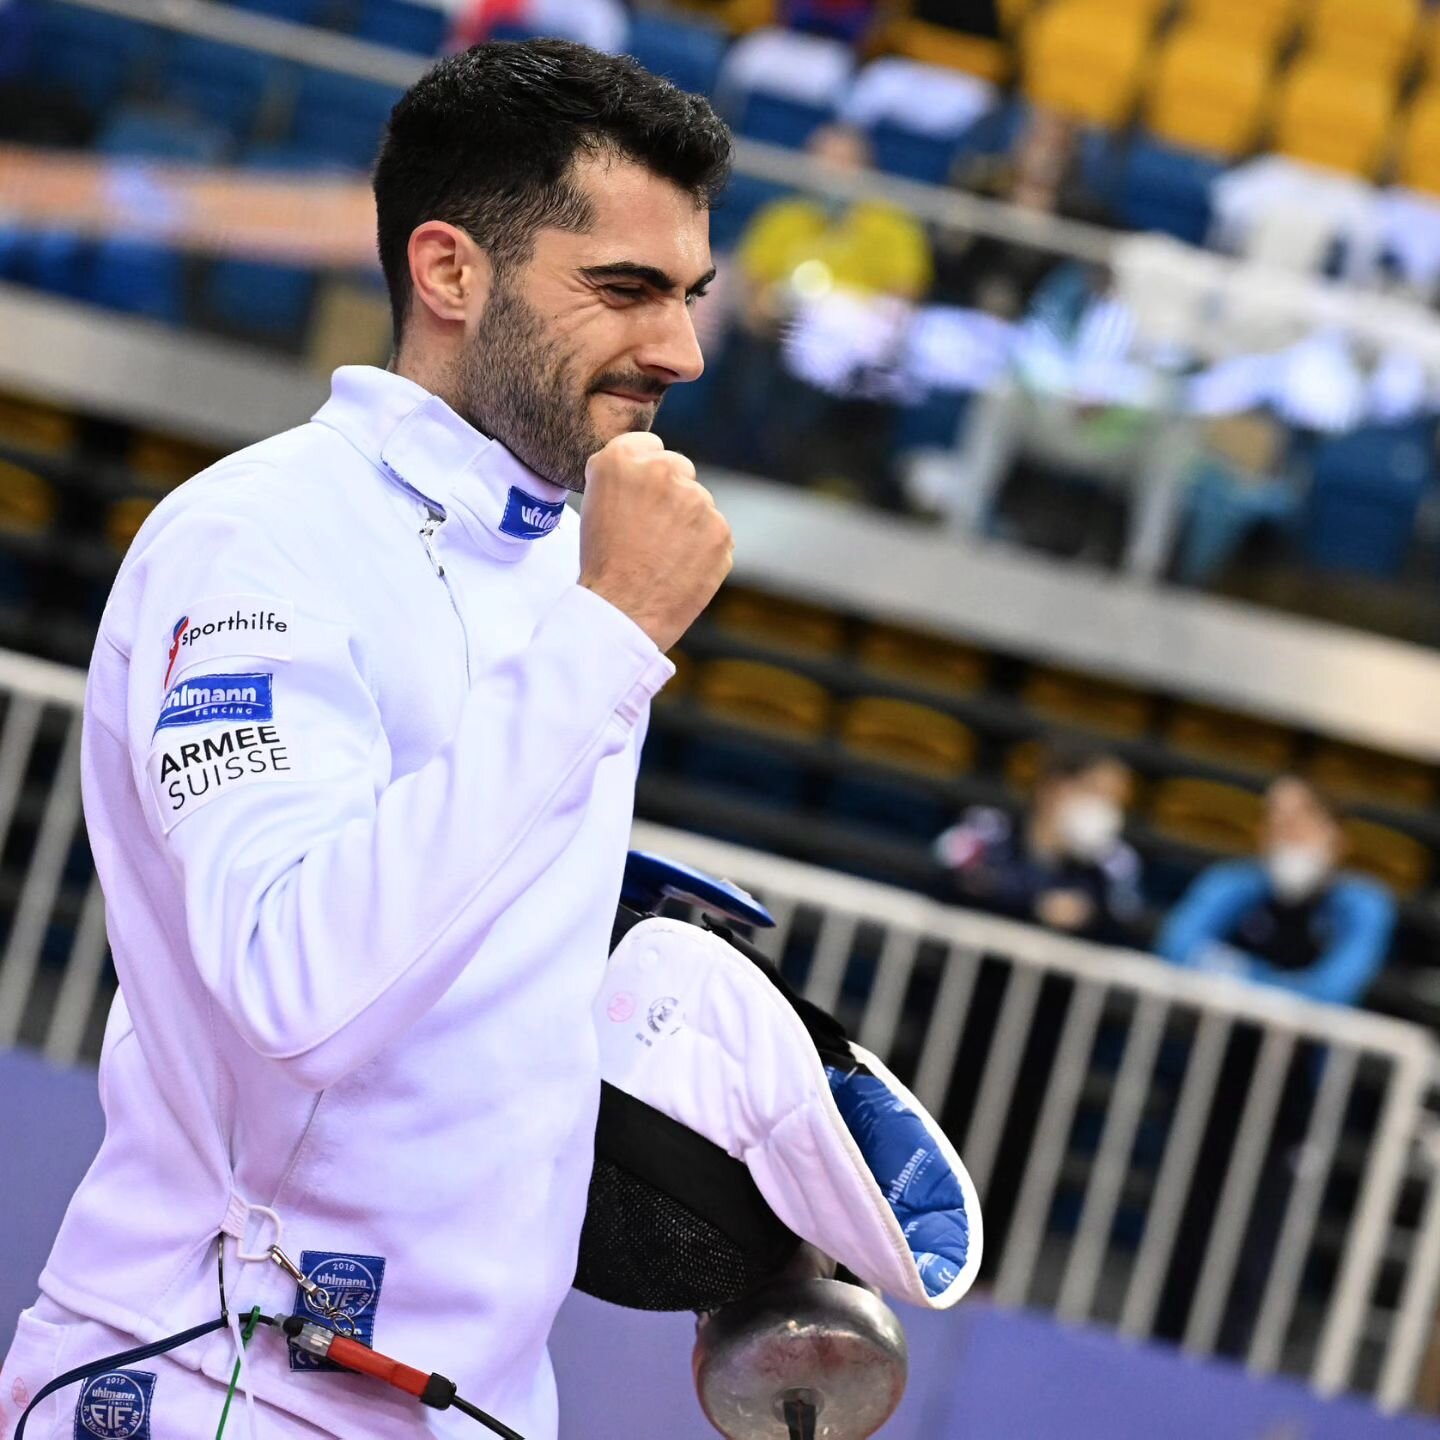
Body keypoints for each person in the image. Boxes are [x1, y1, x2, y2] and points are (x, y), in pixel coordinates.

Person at [0, 40, 733, 1440]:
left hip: (471, 1405)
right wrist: (609, 637)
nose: (681, 350)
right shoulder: (259, 540)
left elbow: (454, 955)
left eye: (690, 294)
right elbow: (298, 989)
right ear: (451, 272)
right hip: (214, 1379)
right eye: (625, 290)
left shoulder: (569, 559)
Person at [1157, 774, 1395, 1007]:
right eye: (1275, 824)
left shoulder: (1364, 904)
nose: (1285, 837)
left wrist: (1239, 976)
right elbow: (1176, 945)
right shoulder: (1233, 882)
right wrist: (1272, 987)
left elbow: (1335, 990)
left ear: (1337, 838)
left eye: (1298, 826)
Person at [933, 743, 1144, 945]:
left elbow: (1126, 924)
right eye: (1095, 792)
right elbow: (951, 868)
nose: (1105, 809)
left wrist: (1092, 915)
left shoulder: (1116, 863)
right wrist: (1036, 903)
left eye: (1115, 800)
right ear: (1053, 787)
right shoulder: (987, 827)